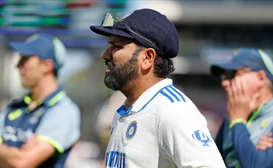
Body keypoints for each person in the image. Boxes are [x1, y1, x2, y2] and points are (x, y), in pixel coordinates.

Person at [90, 8, 225, 168]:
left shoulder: (173, 111)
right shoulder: (126, 109)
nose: (105, 54)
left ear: (147, 58)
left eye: (117, 46)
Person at [0, 33, 81, 168]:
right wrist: (15, 154)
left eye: (25, 59)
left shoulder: (64, 110)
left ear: (47, 65)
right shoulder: (14, 107)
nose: (18, 65)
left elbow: (21, 163)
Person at [211, 48, 273, 168]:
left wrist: (238, 121)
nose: (224, 83)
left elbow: (257, 165)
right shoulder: (230, 119)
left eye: (231, 74)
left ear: (260, 78)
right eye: (223, 77)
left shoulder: (235, 117)